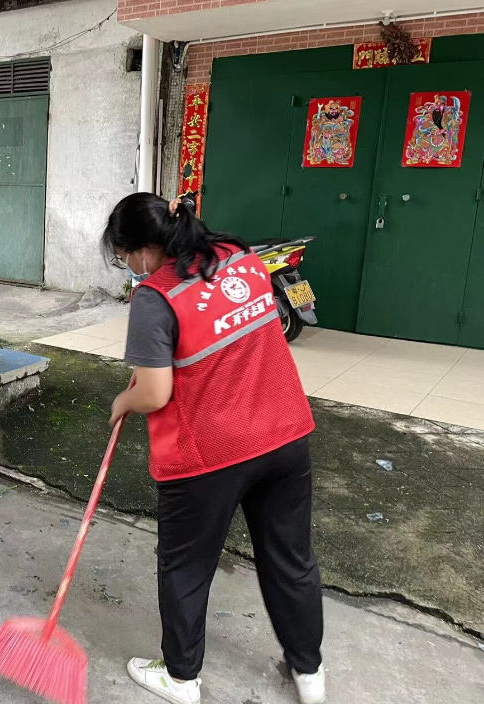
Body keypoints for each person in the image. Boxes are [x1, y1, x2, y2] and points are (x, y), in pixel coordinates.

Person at [103, 193, 324, 704]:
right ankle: (310, 675)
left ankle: (181, 679)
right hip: (284, 434)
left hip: (210, 454)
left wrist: (123, 400)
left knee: (185, 566)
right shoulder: (241, 258)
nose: (126, 267)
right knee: (291, 560)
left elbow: (155, 392)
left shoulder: (155, 298)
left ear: (140, 250)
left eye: (123, 256)